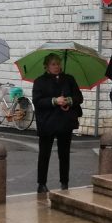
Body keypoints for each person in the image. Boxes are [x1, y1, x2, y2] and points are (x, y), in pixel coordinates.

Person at [32, 53, 83, 193]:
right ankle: (41, 183)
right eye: (53, 64)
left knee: (64, 154)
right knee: (44, 153)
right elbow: (37, 101)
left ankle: (64, 182)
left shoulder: (69, 79)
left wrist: (68, 101)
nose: (57, 66)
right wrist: (54, 101)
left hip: (65, 121)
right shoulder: (40, 81)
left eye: (58, 63)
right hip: (47, 122)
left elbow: (79, 97)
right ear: (46, 66)